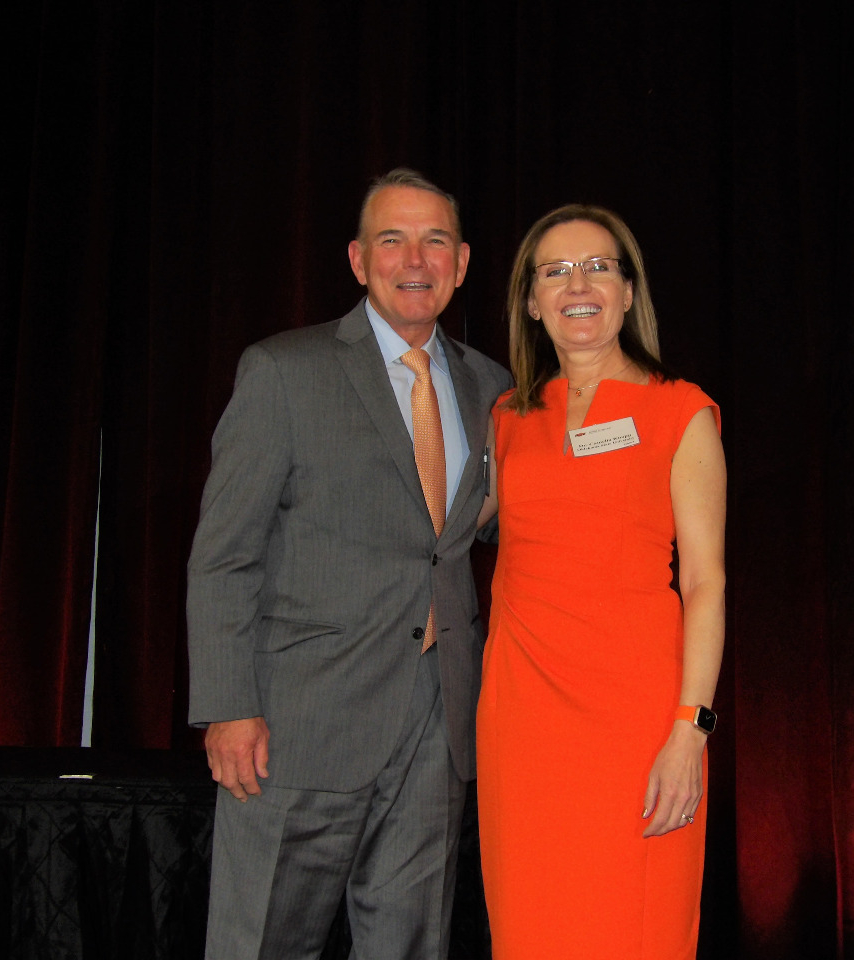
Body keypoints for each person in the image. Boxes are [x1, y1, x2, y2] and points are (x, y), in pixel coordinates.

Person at [187, 168, 511, 959]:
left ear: (462, 263)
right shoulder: (284, 372)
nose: (415, 258)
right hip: (296, 728)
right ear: (358, 260)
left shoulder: (494, 391)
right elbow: (224, 555)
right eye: (392, 239)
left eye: (435, 241)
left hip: (438, 731)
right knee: (262, 943)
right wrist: (228, 705)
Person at [475, 204, 726, 959]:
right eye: (554, 271)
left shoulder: (681, 410)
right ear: (529, 299)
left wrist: (692, 728)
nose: (576, 284)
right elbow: (431, 534)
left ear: (626, 292)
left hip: (638, 727)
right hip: (523, 728)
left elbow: (707, 585)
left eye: (597, 267)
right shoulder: (506, 418)